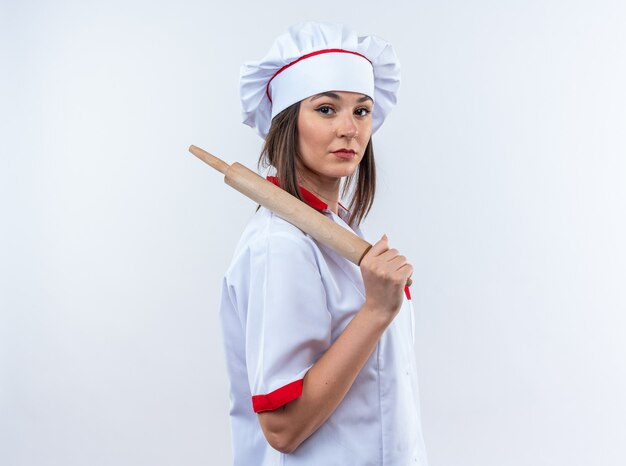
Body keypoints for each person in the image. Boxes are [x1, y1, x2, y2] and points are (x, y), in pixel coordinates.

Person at [218, 21, 429, 465]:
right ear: (287, 123)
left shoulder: (341, 230)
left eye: (362, 110)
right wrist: (376, 311)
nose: (349, 128)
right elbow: (283, 427)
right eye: (327, 109)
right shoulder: (280, 246)